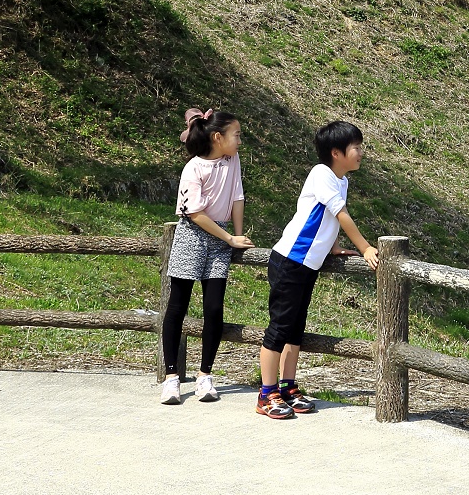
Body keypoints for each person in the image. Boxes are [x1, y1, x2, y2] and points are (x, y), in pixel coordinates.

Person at [255, 120, 379, 420]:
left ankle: (287, 386)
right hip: (290, 260)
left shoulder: (342, 181)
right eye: (356, 148)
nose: (361, 153)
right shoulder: (321, 173)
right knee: (279, 329)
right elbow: (341, 214)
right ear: (337, 152)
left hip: (307, 264)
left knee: (295, 330)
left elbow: (329, 217)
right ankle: (266, 393)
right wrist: (364, 247)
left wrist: (334, 247)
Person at [160, 108, 253, 405]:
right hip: (192, 234)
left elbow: (237, 196)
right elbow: (195, 213)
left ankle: (205, 376)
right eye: (236, 135)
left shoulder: (232, 160)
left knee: (214, 308)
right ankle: (172, 378)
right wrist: (229, 238)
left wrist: (238, 235)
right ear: (217, 137)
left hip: (221, 236)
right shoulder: (193, 169)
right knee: (178, 306)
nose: (239, 141)